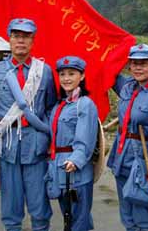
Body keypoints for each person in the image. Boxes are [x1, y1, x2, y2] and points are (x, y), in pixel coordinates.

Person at [0, 18, 56, 231]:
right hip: (7, 146)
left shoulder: (45, 71)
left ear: (33, 41)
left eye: (26, 36)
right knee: (11, 211)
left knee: (40, 208)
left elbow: (50, 108)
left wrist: (48, 138)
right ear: (9, 40)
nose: (20, 41)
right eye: (16, 36)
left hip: (36, 145)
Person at [107, 44, 148, 231]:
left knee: (144, 218)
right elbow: (107, 70)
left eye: (143, 63)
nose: (138, 67)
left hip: (145, 162)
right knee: (127, 217)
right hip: (121, 159)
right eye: (134, 63)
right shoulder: (127, 87)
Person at [45, 56, 98, 231]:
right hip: (58, 169)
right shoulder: (59, 105)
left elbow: (85, 139)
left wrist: (76, 160)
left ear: (82, 76)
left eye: (72, 74)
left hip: (75, 171)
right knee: (68, 218)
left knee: (79, 220)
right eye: (62, 74)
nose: (66, 78)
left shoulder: (84, 104)